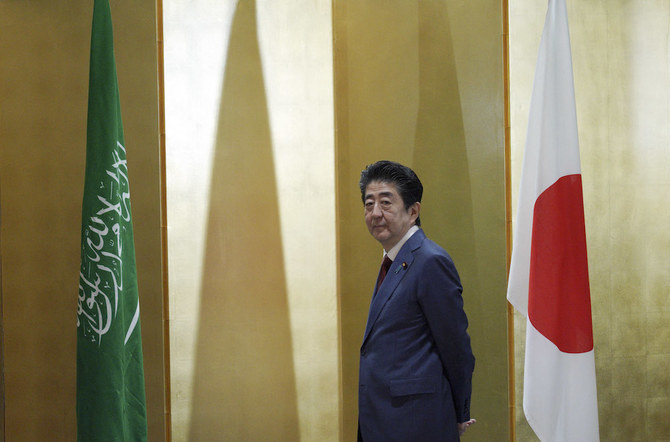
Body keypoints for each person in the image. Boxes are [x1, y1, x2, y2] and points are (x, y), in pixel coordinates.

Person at [357, 160, 476, 441]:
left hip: (416, 423)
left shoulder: (429, 261)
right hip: (385, 419)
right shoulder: (394, 257)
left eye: (386, 203)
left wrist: (458, 414)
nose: (375, 213)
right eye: (369, 203)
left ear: (413, 211)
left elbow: (457, 348)